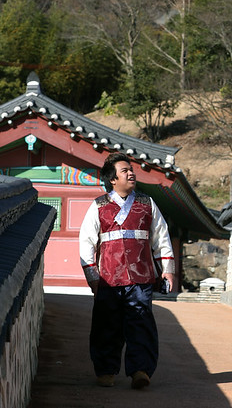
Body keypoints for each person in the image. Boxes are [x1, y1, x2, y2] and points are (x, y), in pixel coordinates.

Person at [79, 153, 175, 390]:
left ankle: (140, 370)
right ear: (112, 179)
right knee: (106, 325)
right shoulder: (98, 206)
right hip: (109, 278)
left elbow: (161, 237)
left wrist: (167, 270)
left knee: (141, 323)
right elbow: (86, 243)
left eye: (131, 169)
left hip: (141, 276)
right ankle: (105, 370)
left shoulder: (147, 203)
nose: (131, 173)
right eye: (124, 171)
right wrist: (93, 276)